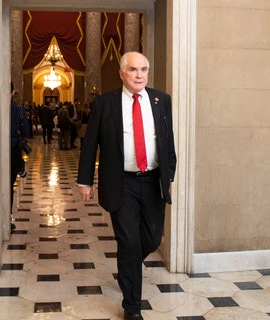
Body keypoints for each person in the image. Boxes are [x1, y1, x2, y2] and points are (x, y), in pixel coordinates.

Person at [76, 51, 176, 320]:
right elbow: (90, 144)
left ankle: (127, 266)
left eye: (144, 69)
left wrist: (170, 172)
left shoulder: (161, 100)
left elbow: (168, 139)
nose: (140, 75)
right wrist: (85, 180)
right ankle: (132, 307)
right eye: (133, 69)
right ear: (122, 73)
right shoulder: (105, 103)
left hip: (153, 180)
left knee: (152, 238)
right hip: (122, 183)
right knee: (129, 241)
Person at [10, 82, 29, 231]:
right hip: (13, 148)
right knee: (9, 185)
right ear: (13, 91)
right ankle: (7, 217)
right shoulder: (18, 109)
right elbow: (26, 131)